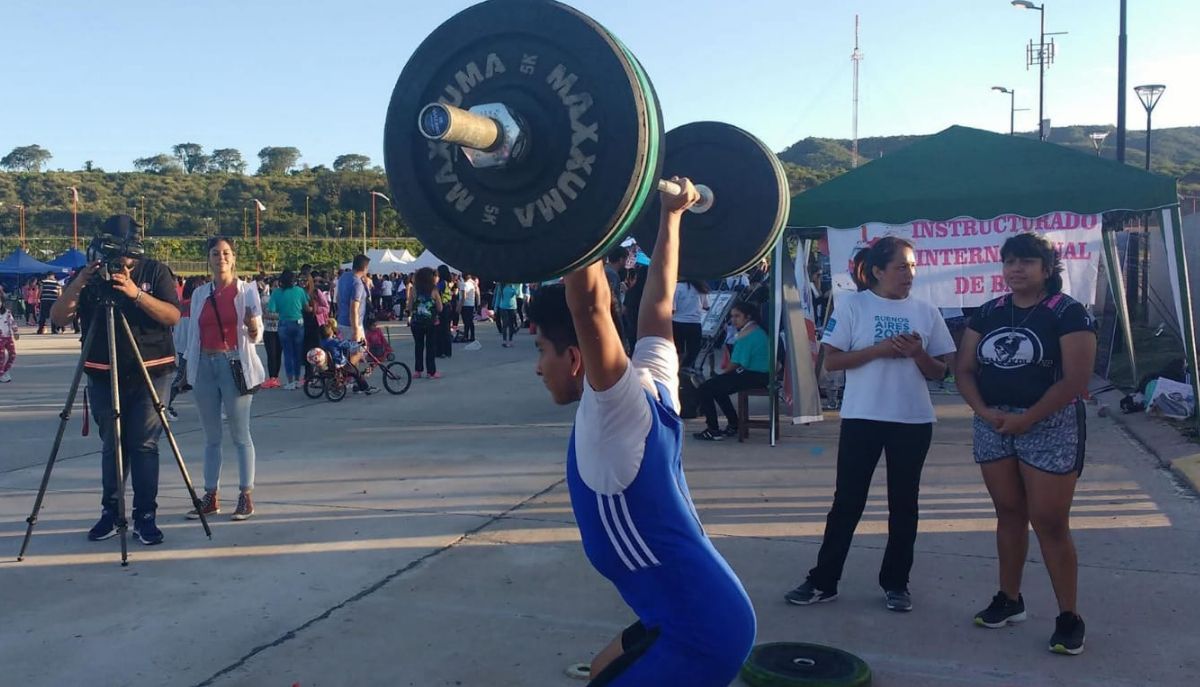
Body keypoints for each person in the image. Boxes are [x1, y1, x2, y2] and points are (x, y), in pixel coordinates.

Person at [527, 178, 755, 685]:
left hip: (700, 633)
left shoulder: (615, 409)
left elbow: (590, 305)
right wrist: (671, 215)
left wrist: (580, 192)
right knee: (602, 672)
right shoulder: (652, 377)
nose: (538, 367)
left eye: (541, 350)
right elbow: (657, 308)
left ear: (575, 357)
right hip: (691, 608)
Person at [785, 236, 955, 613]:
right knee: (847, 502)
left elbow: (941, 372)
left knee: (904, 505)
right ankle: (823, 581)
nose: (909, 274)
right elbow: (832, 362)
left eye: (913, 266)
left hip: (912, 420)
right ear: (877, 271)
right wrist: (879, 350)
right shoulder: (853, 306)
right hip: (863, 417)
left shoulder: (926, 311)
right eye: (901, 267)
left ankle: (896, 583)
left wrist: (917, 353)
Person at [956, 233, 1096, 656]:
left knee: (1049, 521)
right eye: (1010, 261)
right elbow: (963, 369)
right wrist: (983, 411)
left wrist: (1028, 418)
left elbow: (1076, 379)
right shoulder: (989, 311)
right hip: (994, 424)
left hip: (1050, 425)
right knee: (1009, 513)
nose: (1016, 269)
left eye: (1027, 262)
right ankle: (1009, 598)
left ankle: (1069, 617)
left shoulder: (1068, 312)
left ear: (1047, 269)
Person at [50, 214, 181, 545]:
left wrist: (136, 294)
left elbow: (173, 316)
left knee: (144, 444)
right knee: (113, 444)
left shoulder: (155, 271)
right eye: (113, 252)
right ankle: (111, 512)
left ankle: (145, 516)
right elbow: (59, 317)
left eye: (126, 253)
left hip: (151, 370)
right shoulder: (91, 275)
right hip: (103, 372)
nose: (120, 262)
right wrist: (80, 282)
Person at [183, 237, 264, 522]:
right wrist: (187, 366)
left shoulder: (246, 291)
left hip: (234, 364)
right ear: (209, 259)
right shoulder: (200, 294)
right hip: (204, 366)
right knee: (211, 437)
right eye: (216, 253)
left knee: (240, 435)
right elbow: (192, 333)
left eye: (226, 253)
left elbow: (256, 334)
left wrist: (252, 327)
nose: (221, 258)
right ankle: (210, 495)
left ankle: (245, 494)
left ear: (234, 258)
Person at [691, 301, 770, 441]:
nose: (733, 320)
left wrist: (721, 376)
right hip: (760, 375)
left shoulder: (747, 335)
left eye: (737, 316)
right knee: (717, 388)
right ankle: (733, 423)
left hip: (753, 375)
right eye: (732, 316)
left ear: (748, 317)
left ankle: (713, 429)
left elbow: (735, 363)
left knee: (705, 388)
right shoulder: (757, 330)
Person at [268, 268, 309, 390]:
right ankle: (297, 379)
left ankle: (290, 381)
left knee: (288, 353)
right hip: (298, 323)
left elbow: (271, 311)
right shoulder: (300, 291)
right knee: (298, 352)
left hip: (284, 324)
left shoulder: (276, 293)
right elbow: (306, 307)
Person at [168, 277, 200, 416]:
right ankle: (165, 404)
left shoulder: (181, 304)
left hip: (181, 345)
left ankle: (166, 403)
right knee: (182, 377)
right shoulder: (195, 305)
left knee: (183, 376)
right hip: (190, 346)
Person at [318, 321, 376, 393]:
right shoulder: (335, 342)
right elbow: (348, 345)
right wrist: (359, 343)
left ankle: (336, 384)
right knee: (356, 372)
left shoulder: (321, 342)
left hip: (329, 365)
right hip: (339, 364)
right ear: (331, 333)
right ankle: (365, 388)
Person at [407, 267, 442, 379]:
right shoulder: (434, 290)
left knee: (418, 346)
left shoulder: (414, 290)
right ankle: (431, 372)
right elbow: (440, 308)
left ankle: (418, 370)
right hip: (431, 323)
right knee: (430, 347)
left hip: (416, 322)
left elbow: (409, 307)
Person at [671, 279, 708, 371]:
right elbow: (706, 306)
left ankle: (676, 369)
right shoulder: (701, 288)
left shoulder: (677, 286)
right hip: (695, 323)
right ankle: (686, 368)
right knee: (693, 350)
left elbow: (673, 308)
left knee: (678, 350)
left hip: (678, 322)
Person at [337, 255, 370, 344]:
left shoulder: (343, 276)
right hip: (353, 325)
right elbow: (354, 308)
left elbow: (338, 298)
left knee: (343, 349)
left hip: (341, 321)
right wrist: (356, 331)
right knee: (358, 350)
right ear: (365, 268)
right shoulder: (357, 283)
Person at [436, 264, 457, 358]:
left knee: (441, 330)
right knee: (446, 330)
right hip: (448, 306)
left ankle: (441, 351)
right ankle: (447, 351)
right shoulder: (448, 282)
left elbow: (436, 291)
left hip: (443, 307)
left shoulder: (442, 283)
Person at [0, 297, 18, 382]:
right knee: (1, 356)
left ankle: (4, 371)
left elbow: (12, 322)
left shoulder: (7, 312)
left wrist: (15, 332)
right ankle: (1, 374)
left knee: (12, 354)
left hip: (8, 337)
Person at [459, 273, 478, 342]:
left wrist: (459, 306)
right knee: (470, 321)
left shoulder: (463, 285)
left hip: (465, 304)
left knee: (466, 321)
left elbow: (463, 297)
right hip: (471, 304)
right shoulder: (472, 284)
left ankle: (466, 336)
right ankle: (472, 336)